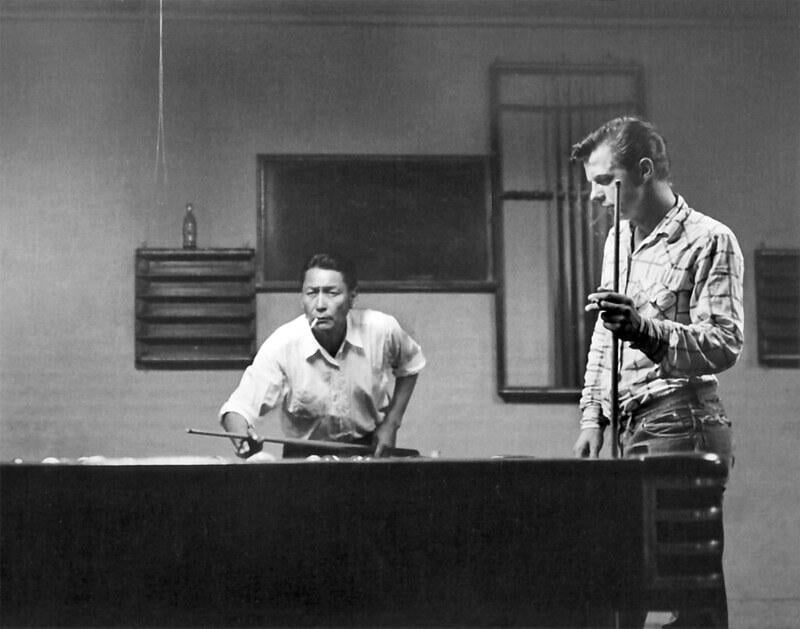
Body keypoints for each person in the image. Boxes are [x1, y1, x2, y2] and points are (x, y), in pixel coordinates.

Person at [570, 117, 744, 628]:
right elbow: (607, 334)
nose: (597, 196)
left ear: (643, 171)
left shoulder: (711, 239)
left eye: (605, 181)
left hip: (681, 419)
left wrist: (646, 330)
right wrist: (592, 416)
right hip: (632, 424)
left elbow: (725, 342)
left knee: (685, 590)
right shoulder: (618, 242)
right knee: (627, 583)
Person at [219, 252, 425, 458]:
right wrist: (241, 436)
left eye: (331, 293)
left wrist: (392, 423)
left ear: (352, 296)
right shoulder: (283, 344)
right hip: (304, 456)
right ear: (302, 297)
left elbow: (411, 364)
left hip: (367, 449)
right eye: (311, 293)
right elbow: (238, 408)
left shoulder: (381, 329)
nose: (320, 305)